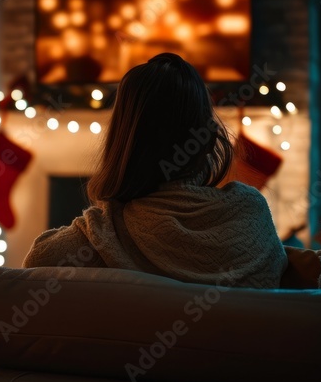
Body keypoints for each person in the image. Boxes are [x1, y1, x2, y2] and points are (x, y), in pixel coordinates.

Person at [23, 53, 286, 288]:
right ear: (207, 142)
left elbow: (35, 262)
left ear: (120, 143)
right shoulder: (251, 216)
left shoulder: (101, 239)